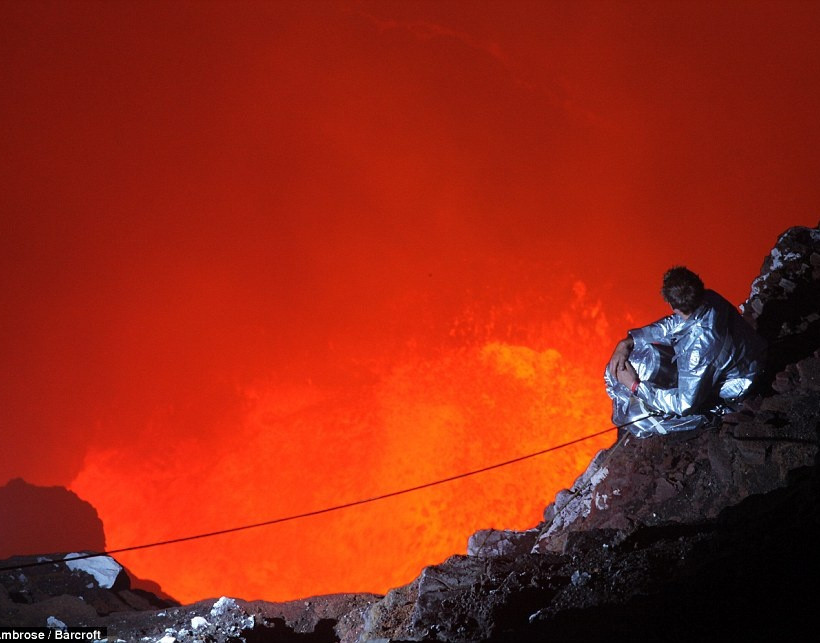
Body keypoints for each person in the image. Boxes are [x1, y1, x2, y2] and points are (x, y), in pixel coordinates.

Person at [605, 266, 766, 438]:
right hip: (748, 356)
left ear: (672, 305)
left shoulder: (697, 352)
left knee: (637, 418)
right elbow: (674, 324)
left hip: (741, 383)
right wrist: (629, 341)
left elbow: (683, 404)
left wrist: (635, 386)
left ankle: (711, 415)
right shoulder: (709, 298)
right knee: (644, 354)